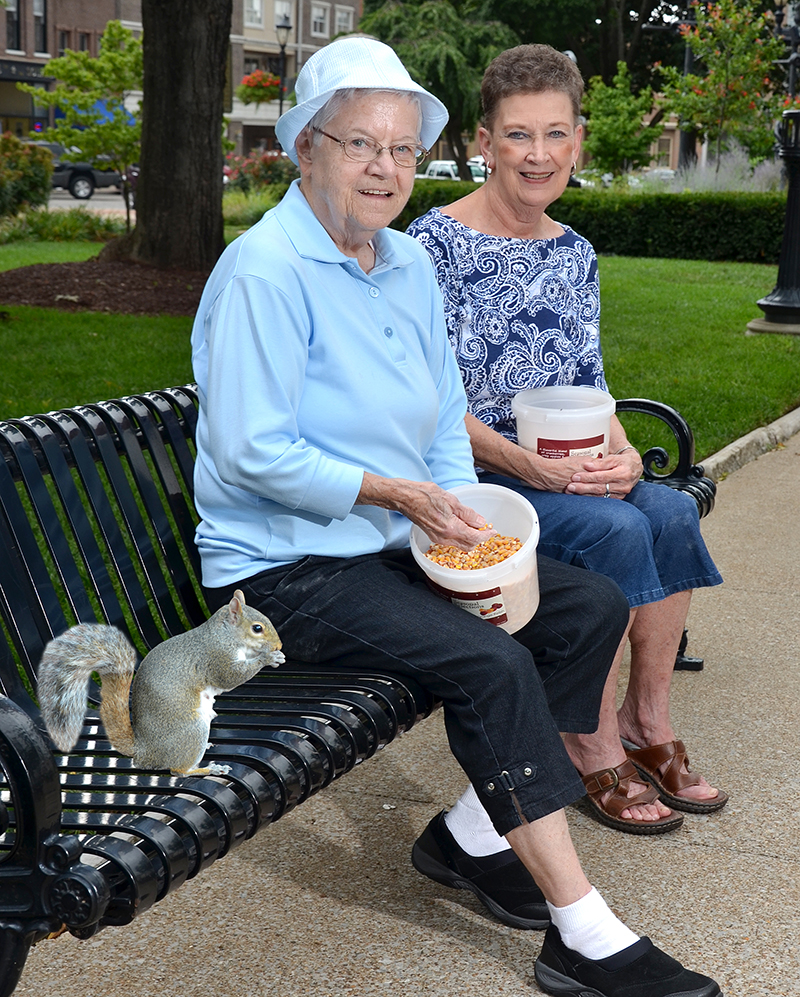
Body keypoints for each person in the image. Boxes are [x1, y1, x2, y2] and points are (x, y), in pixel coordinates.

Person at [190, 36, 721, 997]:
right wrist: (397, 497)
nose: (386, 169)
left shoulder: (400, 264)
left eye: (401, 149)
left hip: (388, 545)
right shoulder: (264, 272)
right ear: (307, 146)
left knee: (583, 605)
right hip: (280, 573)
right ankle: (583, 930)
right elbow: (248, 452)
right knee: (490, 660)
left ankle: (470, 835)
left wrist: (460, 526)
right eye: (360, 146)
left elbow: (441, 418)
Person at [407, 42, 726, 858]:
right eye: (518, 135)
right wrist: (529, 465)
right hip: (481, 481)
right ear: (484, 141)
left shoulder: (573, 252)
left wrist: (621, 455)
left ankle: (645, 719)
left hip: (565, 466)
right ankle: (591, 747)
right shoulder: (431, 247)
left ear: (578, 140)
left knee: (668, 511)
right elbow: (427, 402)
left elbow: (591, 384)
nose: (538, 154)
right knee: (622, 531)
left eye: (555, 133)